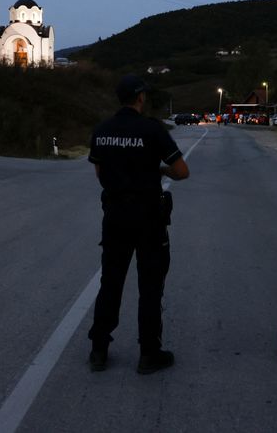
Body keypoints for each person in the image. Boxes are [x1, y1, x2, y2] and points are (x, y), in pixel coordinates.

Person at [86, 74, 190, 374]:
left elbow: (99, 173)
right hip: (148, 218)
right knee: (150, 286)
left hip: (115, 216)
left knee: (111, 283)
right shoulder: (151, 129)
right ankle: (149, 354)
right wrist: (161, 171)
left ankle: (99, 350)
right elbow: (182, 171)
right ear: (141, 98)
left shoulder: (102, 130)